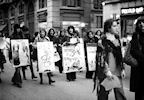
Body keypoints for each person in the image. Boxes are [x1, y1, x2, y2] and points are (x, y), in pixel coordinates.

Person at [93, 19, 126, 100]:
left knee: (120, 93)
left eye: (117, 26)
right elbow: (100, 57)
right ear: (108, 28)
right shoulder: (102, 40)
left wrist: (122, 68)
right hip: (106, 71)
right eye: (114, 26)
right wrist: (106, 70)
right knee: (103, 93)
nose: (117, 28)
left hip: (117, 70)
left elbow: (120, 55)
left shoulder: (117, 38)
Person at [130, 16, 144, 100]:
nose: (142, 26)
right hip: (138, 67)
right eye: (140, 24)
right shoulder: (136, 35)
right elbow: (133, 50)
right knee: (139, 91)